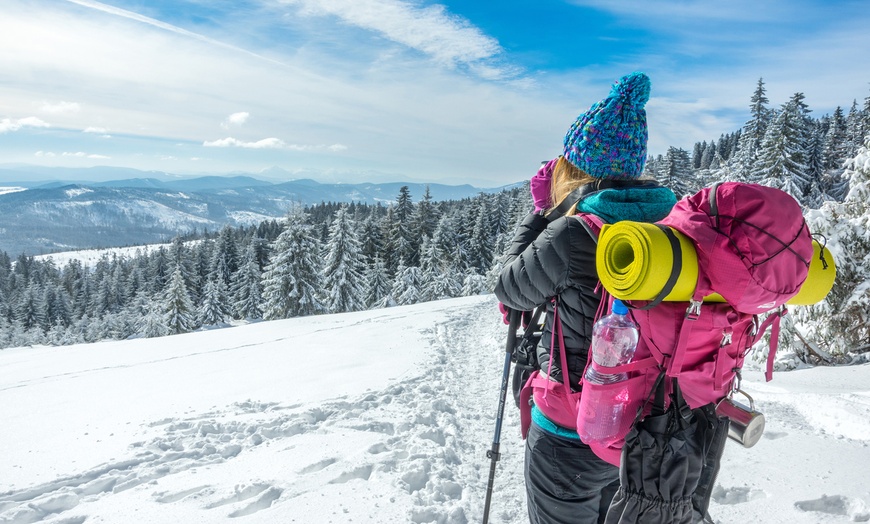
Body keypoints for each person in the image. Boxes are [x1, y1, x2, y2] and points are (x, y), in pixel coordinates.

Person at [494, 72, 678, 524]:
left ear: (574, 170)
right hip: (638, 433)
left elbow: (510, 289)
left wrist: (541, 214)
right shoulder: (668, 229)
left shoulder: (571, 234)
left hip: (568, 434)